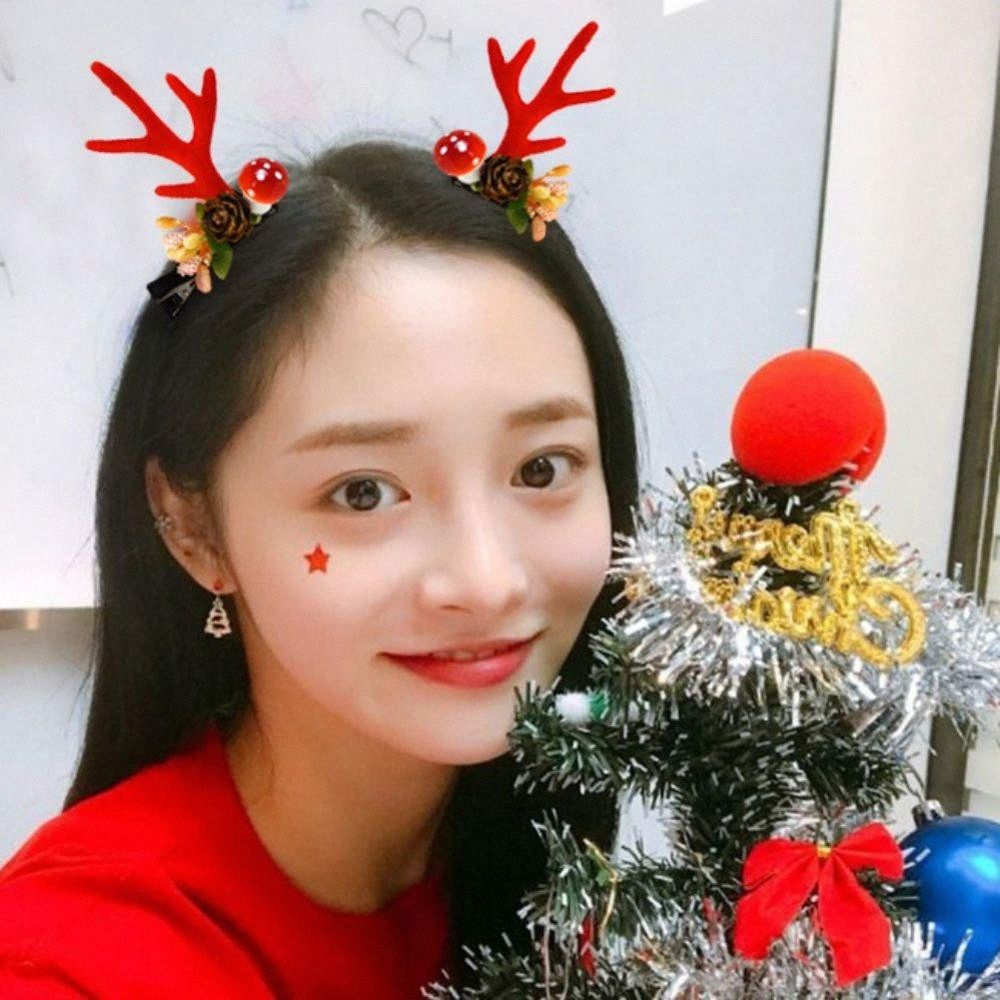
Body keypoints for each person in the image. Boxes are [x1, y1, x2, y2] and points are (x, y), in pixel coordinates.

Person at [0, 136, 641, 997]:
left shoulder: (540, 869)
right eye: (363, 493)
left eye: (540, 469)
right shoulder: (71, 964)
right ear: (193, 528)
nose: (488, 581)